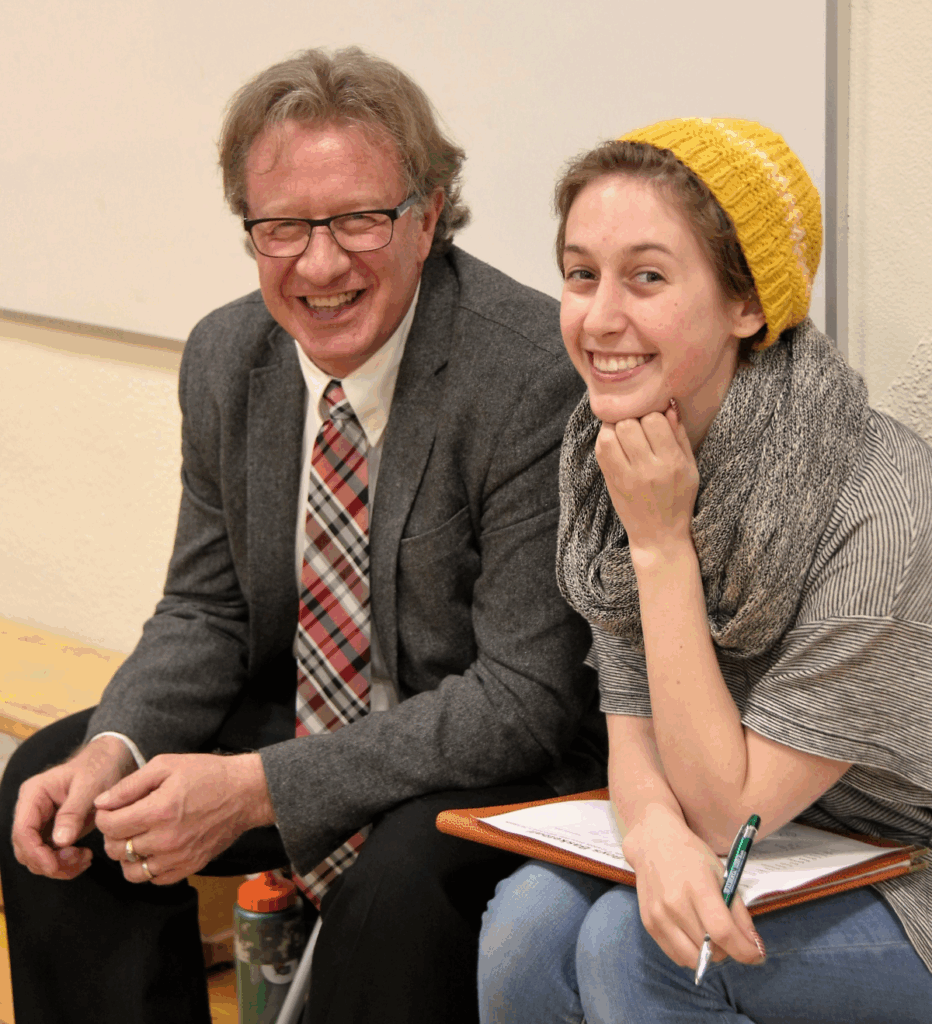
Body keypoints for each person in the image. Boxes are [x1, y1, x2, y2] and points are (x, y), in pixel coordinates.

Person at [0, 47, 606, 1024]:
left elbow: (523, 699)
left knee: (399, 884)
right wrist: (115, 745)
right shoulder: (225, 355)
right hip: (308, 715)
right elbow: (206, 610)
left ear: (427, 212)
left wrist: (254, 789)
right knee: (58, 789)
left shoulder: (527, 370)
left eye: (359, 218)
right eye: (281, 226)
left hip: (492, 756)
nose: (319, 263)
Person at [477, 118, 932, 1023]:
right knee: (525, 923)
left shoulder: (879, 505)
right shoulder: (617, 448)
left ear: (749, 304)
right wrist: (652, 836)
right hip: (761, 833)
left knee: (633, 950)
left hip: (908, 863)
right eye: (580, 273)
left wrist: (661, 548)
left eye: (647, 277)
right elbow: (634, 717)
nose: (600, 317)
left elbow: (735, 815)